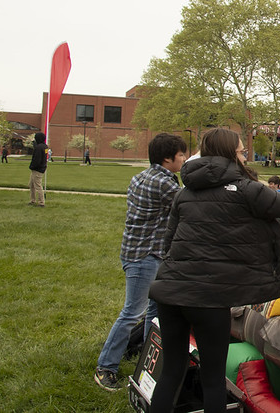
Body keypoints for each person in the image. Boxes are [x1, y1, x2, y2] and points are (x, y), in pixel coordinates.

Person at [148, 128, 280, 413]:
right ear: (230, 154)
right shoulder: (246, 190)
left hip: (168, 292)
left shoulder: (185, 192)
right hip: (208, 300)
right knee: (212, 378)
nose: (245, 157)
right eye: (242, 152)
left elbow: (168, 243)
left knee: (171, 372)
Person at [94, 133, 188, 392]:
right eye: (181, 155)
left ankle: (148, 364)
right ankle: (106, 368)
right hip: (144, 256)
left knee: (155, 311)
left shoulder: (143, 177)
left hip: (147, 253)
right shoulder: (164, 184)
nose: (185, 159)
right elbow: (187, 206)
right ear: (168, 158)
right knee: (131, 313)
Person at [28, 133, 48, 206]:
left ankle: (41, 202)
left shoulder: (39, 148)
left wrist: (32, 166)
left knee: (37, 186)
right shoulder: (44, 147)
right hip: (41, 168)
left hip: (37, 169)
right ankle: (32, 200)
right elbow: (38, 149)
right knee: (32, 184)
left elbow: (37, 159)